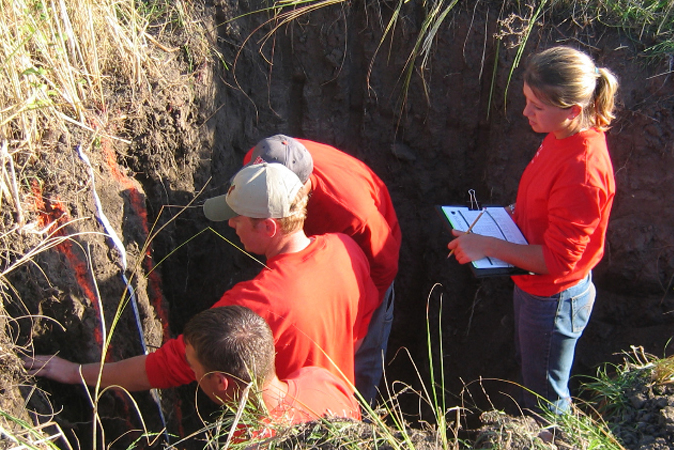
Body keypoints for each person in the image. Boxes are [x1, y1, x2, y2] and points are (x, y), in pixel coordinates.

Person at [25, 162, 379, 399]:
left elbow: (169, 365)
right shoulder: (346, 250)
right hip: (330, 410)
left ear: (268, 227)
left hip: (273, 428)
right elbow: (360, 330)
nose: (230, 225)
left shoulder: (255, 304)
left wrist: (76, 373)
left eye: (238, 219)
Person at [447, 46, 618, 414]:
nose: (526, 113)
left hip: (554, 299)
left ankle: (551, 437)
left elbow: (557, 260)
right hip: (534, 289)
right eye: (526, 100)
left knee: (544, 398)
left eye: (536, 106)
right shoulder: (561, 135)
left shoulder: (583, 170)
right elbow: (544, 200)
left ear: (572, 110)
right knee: (534, 370)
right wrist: (509, 213)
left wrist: (488, 244)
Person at [243, 135, 401, 404]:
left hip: (365, 269)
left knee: (358, 364)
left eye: (274, 195)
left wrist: (359, 329)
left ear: (300, 189)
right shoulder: (262, 157)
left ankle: (357, 423)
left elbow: (384, 266)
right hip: (314, 252)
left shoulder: (352, 214)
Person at [183, 305, 360, 431]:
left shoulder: (253, 440)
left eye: (193, 368)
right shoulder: (322, 380)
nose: (194, 375)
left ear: (220, 382)